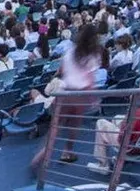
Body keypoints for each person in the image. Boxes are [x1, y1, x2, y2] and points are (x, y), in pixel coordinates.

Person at [36, 24, 101, 168]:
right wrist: (94, 98)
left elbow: (63, 70)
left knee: (56, 127)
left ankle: (41, 156)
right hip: (79, 95)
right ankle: (67, 152)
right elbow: (90, 80)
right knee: (73, 126)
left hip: (65, 92)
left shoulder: (71, 51)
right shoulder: (92, 55)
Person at [86, 77, 140, 174]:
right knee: (116, 117)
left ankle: (103, 165)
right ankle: (118, 158)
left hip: (131, 147)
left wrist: (131, 108)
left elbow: (122, 136)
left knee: (101, 123)